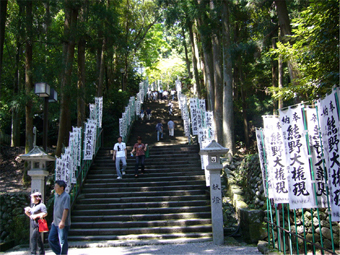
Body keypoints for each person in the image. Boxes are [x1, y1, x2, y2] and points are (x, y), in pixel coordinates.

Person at [48, 180, 71, 255]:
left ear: (62, 188)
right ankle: (59, 253)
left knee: (62, 240)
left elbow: (66, 209)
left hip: (62, 222)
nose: (55, 188)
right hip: (55, 222)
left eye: (56, 187)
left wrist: (63, 221)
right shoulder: (56, 196)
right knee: (51, 239)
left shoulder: (66, 196)